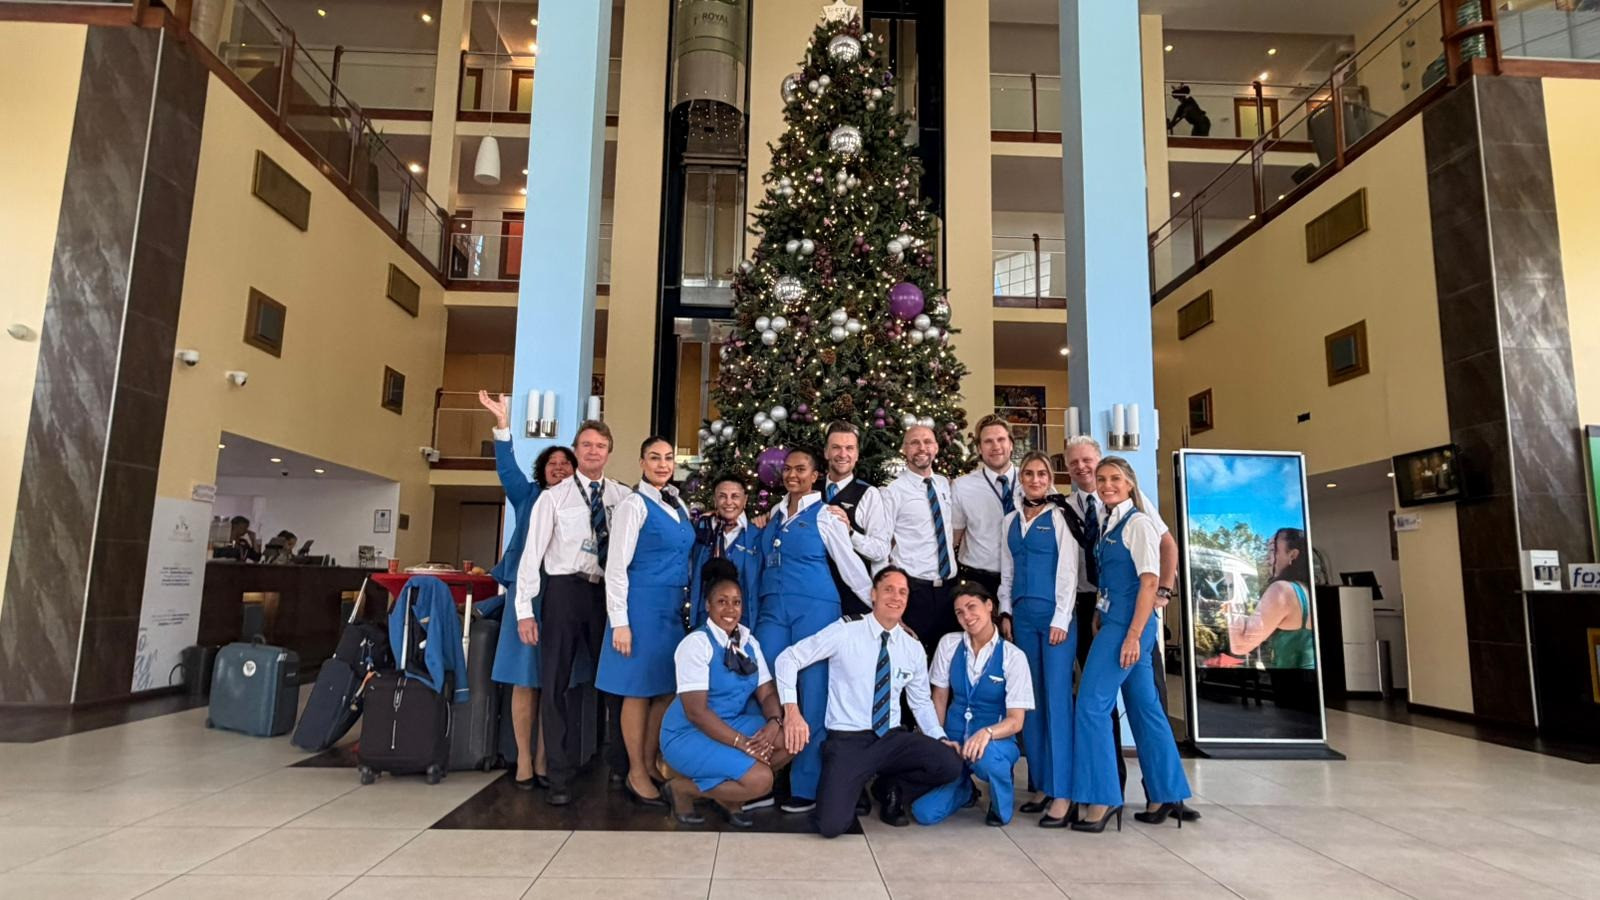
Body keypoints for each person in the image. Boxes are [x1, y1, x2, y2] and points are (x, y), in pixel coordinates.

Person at [775, 567, 963, 838]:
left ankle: (891, 786)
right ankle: (856, 783)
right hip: (849, 741)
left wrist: (939, 736)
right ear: (873, 594)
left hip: (891, 738)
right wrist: (792, 711)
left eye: (903, 592)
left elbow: (921, 702)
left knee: (948, 762)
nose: (896, 597)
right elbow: (788, 659)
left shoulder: (912, 648)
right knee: (831, 826)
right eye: (888, 589)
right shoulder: (846, 631)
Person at [1061, 433, 1187, 814]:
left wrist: (1142, 623)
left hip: (1129, 623)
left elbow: (1150, 575)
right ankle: (1166, 795)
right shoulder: (1102, 514)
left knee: (1091, 707)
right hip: (1110, 614)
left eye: (1112, 478)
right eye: (1101, 479)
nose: (1104, 484)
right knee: (1144, 706)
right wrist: (1101, 610)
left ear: (1129, 483)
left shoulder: (1137, 520)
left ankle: (1102, 799)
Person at [515, 419, 632, 807]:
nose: (593, 451)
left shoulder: (622, 497)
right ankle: (559, 774)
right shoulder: (554, 497)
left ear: (609, 451)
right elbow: (531, 555)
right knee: (555, 683)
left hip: (606, 595)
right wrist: (524, 611)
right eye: (586, 445)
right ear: (576, 451)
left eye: (601, 445)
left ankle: (619, 764)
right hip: (564, 592)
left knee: (614, 681)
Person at [754, 447, 873, 814]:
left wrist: (880, 609)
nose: (793, 475)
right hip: (773, 610)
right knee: (766, 690)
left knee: (814, 693)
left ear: (815, 475)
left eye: (801, 469)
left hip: (815, 610)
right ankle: (764, 777)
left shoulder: (825, 517)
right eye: (788, 469)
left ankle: (807, 784)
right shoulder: (774, 513)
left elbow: (851, 566)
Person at [478, 389, 571, 790]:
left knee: (555, 682)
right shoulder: (528, 495)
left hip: (566, 596)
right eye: (553, 464)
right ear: (542, 470)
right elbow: (507, 471)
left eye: (567, 464)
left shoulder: (584, 503)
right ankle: (523, 760)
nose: (560, 469)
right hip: (526, 596)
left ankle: (548, 758)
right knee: (524, 678)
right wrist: (502, 426)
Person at [597, 436, 695, 808]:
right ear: (641, 463)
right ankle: (636, 771)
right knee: (636, 691)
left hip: (670, 609)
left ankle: (652, 761)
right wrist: (620, 621)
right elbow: (617, 567)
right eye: (654, 458)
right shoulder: (633, 505)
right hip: (639, 607)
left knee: (665, 689)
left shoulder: (676, 502)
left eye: (668, 458)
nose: (662, 464)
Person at [659, 559, 792, 827]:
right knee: (761, 780)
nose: (730, 609)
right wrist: (743, 743)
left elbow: (766, 693)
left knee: (791, 738)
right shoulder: (696, 644)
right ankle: (683, 789)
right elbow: (696, 713)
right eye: (722, 601)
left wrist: (773, 723)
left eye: (736, 602)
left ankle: (728, 793)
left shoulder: (748, 641)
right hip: (686, 734)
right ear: (708, 606)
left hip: (729, 723)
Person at [998, 451, 1079, 827]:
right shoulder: (1010, 521)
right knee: (1029, 702)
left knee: (1057, 701)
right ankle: (1043, 784)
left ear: (1050, 478)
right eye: (1028, 473)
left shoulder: (1060, 517)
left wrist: (1062, 617)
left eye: (1041, 473)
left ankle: (1063, 791)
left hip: (1054, 618)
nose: (1034, 479)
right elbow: (1007, 572)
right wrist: (1005, 613)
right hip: (1021, 618)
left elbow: (1068, 572)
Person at [910, 582, 1032, 827]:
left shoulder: (1013, 657)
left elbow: (1016, 721)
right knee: (924, 813)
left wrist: (987, 734)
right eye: (959, 612)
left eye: (971, 607)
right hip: (954, 741)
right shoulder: (949, 644)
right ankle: (964, 789)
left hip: (993, 743)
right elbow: (940, 698)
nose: (967, 616)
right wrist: (939, 740)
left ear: (989, 606)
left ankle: (1000, 806)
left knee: (987, 760)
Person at [880, 424, 959, 656]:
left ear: (935, 448)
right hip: (915, 591)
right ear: (904, 449)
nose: (921, 448)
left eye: (927, 442)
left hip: (949, 589)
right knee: (910, 662)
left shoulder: (945, 484)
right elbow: (882, 546)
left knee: (945, 663)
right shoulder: (893, 491)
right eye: (914, 442)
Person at [819, 421, 891, 615]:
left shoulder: (869, 494)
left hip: (853, 598)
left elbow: (881, 550)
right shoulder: (810, 490)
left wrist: (851, 533)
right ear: (826, 452)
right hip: (815, 596)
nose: (843, 454)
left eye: (849, 448)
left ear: (857, 454)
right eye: (836, 448)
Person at [1225, 528, 1316, 668]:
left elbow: (1240, 646)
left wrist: (1233, 597)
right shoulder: (1306, 589)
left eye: (1273, 551)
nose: (1267, 558)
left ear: (1292, 554)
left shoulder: (1282, 590)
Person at [951, 414, 1021, 596]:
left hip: (1024, 577)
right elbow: (954, 538)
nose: (996, 446)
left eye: (1001, 440)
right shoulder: (962, 486)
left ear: (1011, 444)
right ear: (979, 448)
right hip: (978, 581)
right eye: (988, 441)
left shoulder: (1033, 481)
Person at [687, 474, 762, 630]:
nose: (729, 502)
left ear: (745, 499)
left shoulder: (758, 535)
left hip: (744, 621)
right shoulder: (702, 531)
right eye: (722, 496)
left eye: (735, 496)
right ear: (715, 499)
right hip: (706, 618)